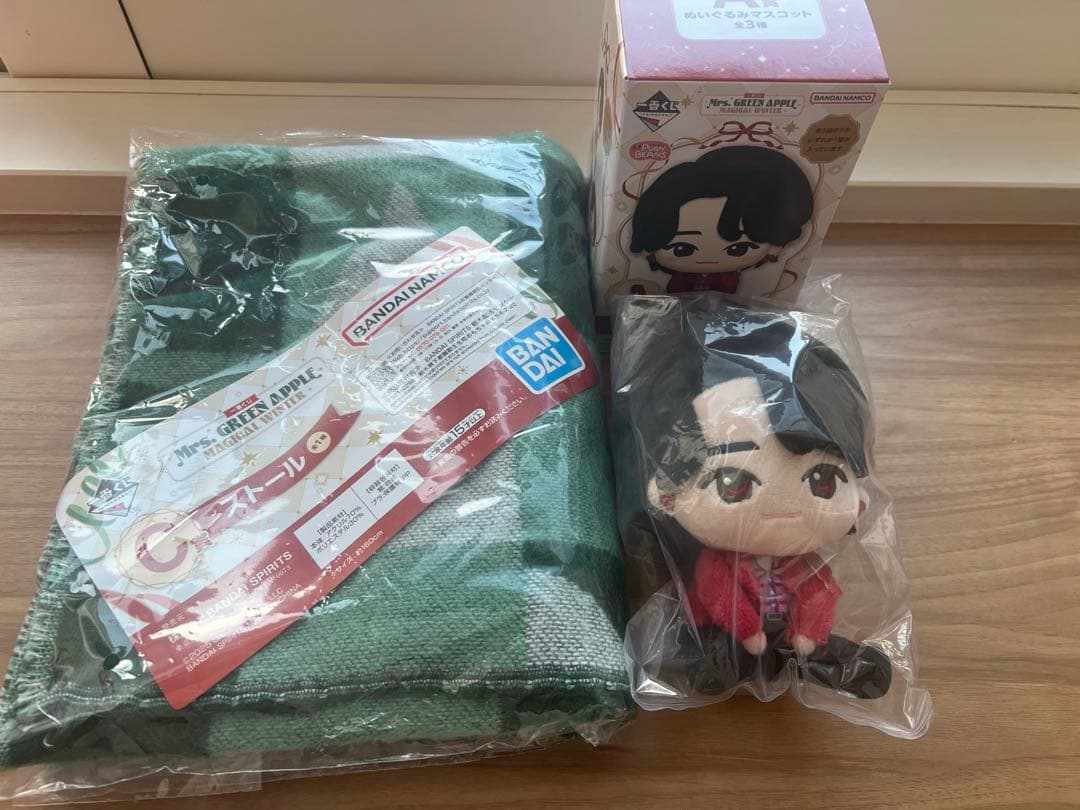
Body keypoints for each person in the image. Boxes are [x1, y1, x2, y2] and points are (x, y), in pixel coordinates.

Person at [624, 301, 891, 699]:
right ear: (667, 494)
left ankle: (807, 659)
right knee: (712, 655)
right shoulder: (718, 561)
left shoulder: (807, 564)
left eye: (822, 481)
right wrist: (749, 632)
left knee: (805, 648)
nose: (781, 506)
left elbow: (820, 595)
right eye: (733, 484)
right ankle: (756, 663)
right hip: (727, 632)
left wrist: (806, 633)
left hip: (783, 634)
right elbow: (717, 593)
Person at [629, 147, 814, 295]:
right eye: (682, 248)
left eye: (738, 248)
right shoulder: (681, 277)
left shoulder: (730, 278)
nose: (707, 259)